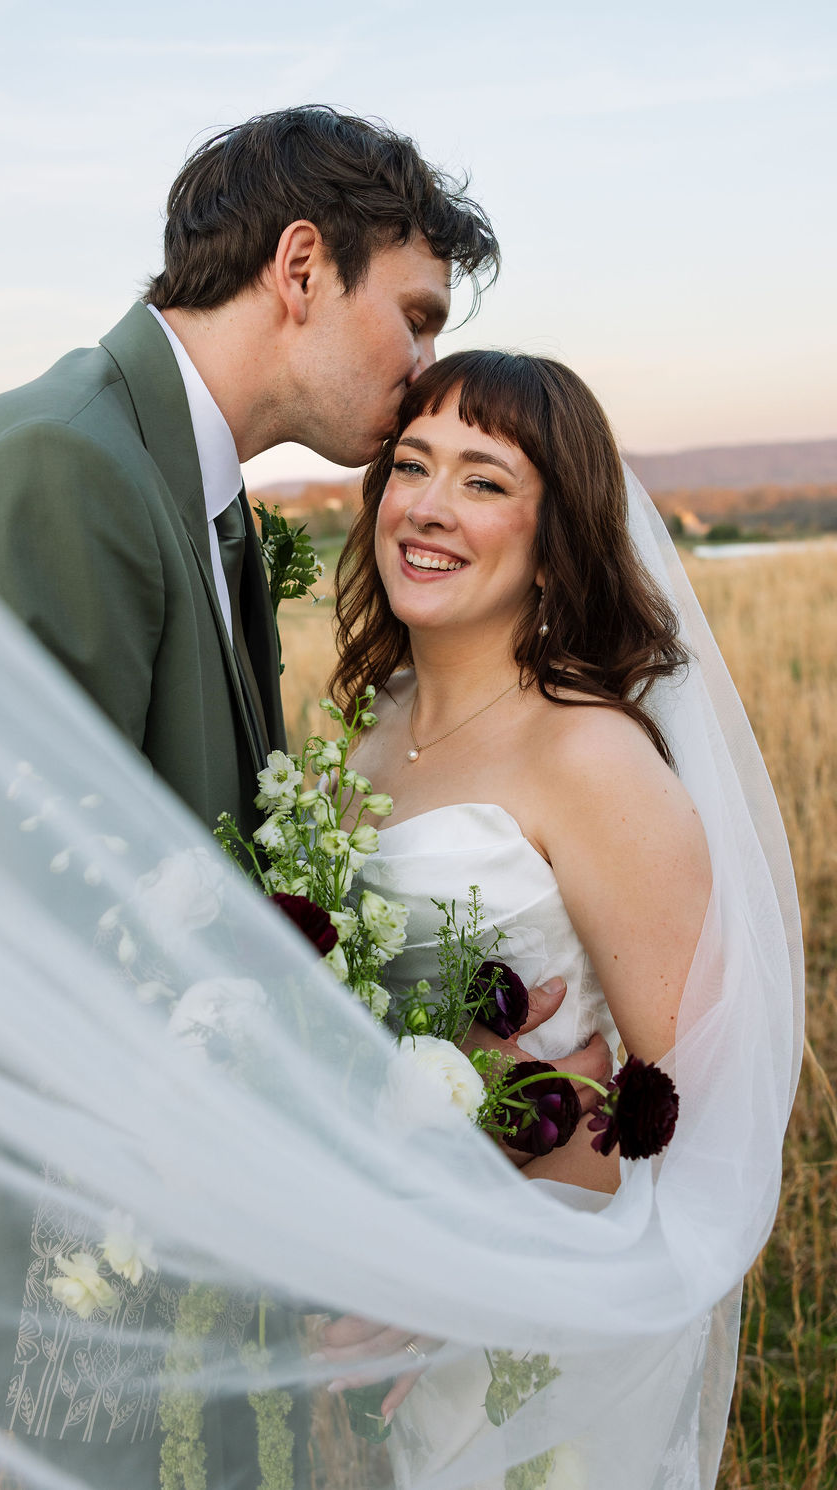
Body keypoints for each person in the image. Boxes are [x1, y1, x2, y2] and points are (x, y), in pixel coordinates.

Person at [0, 110, 600, 1490]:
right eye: (414, 315)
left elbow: (219, 885)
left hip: (160, 1247)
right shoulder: (66, 466)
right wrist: (365, 1192)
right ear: (303, 266)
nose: (424, 366)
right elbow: (72, 929)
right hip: (49, 1273)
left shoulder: (200, 493)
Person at [314, 348, 786, 1485]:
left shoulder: (588, 755)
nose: (426, 507)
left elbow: (706, 1117)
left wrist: (466, 1272)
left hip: (530, 1336)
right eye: (411, 465)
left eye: (483, 480)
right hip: (372, 1307)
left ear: (553, 534)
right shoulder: (367, 737)